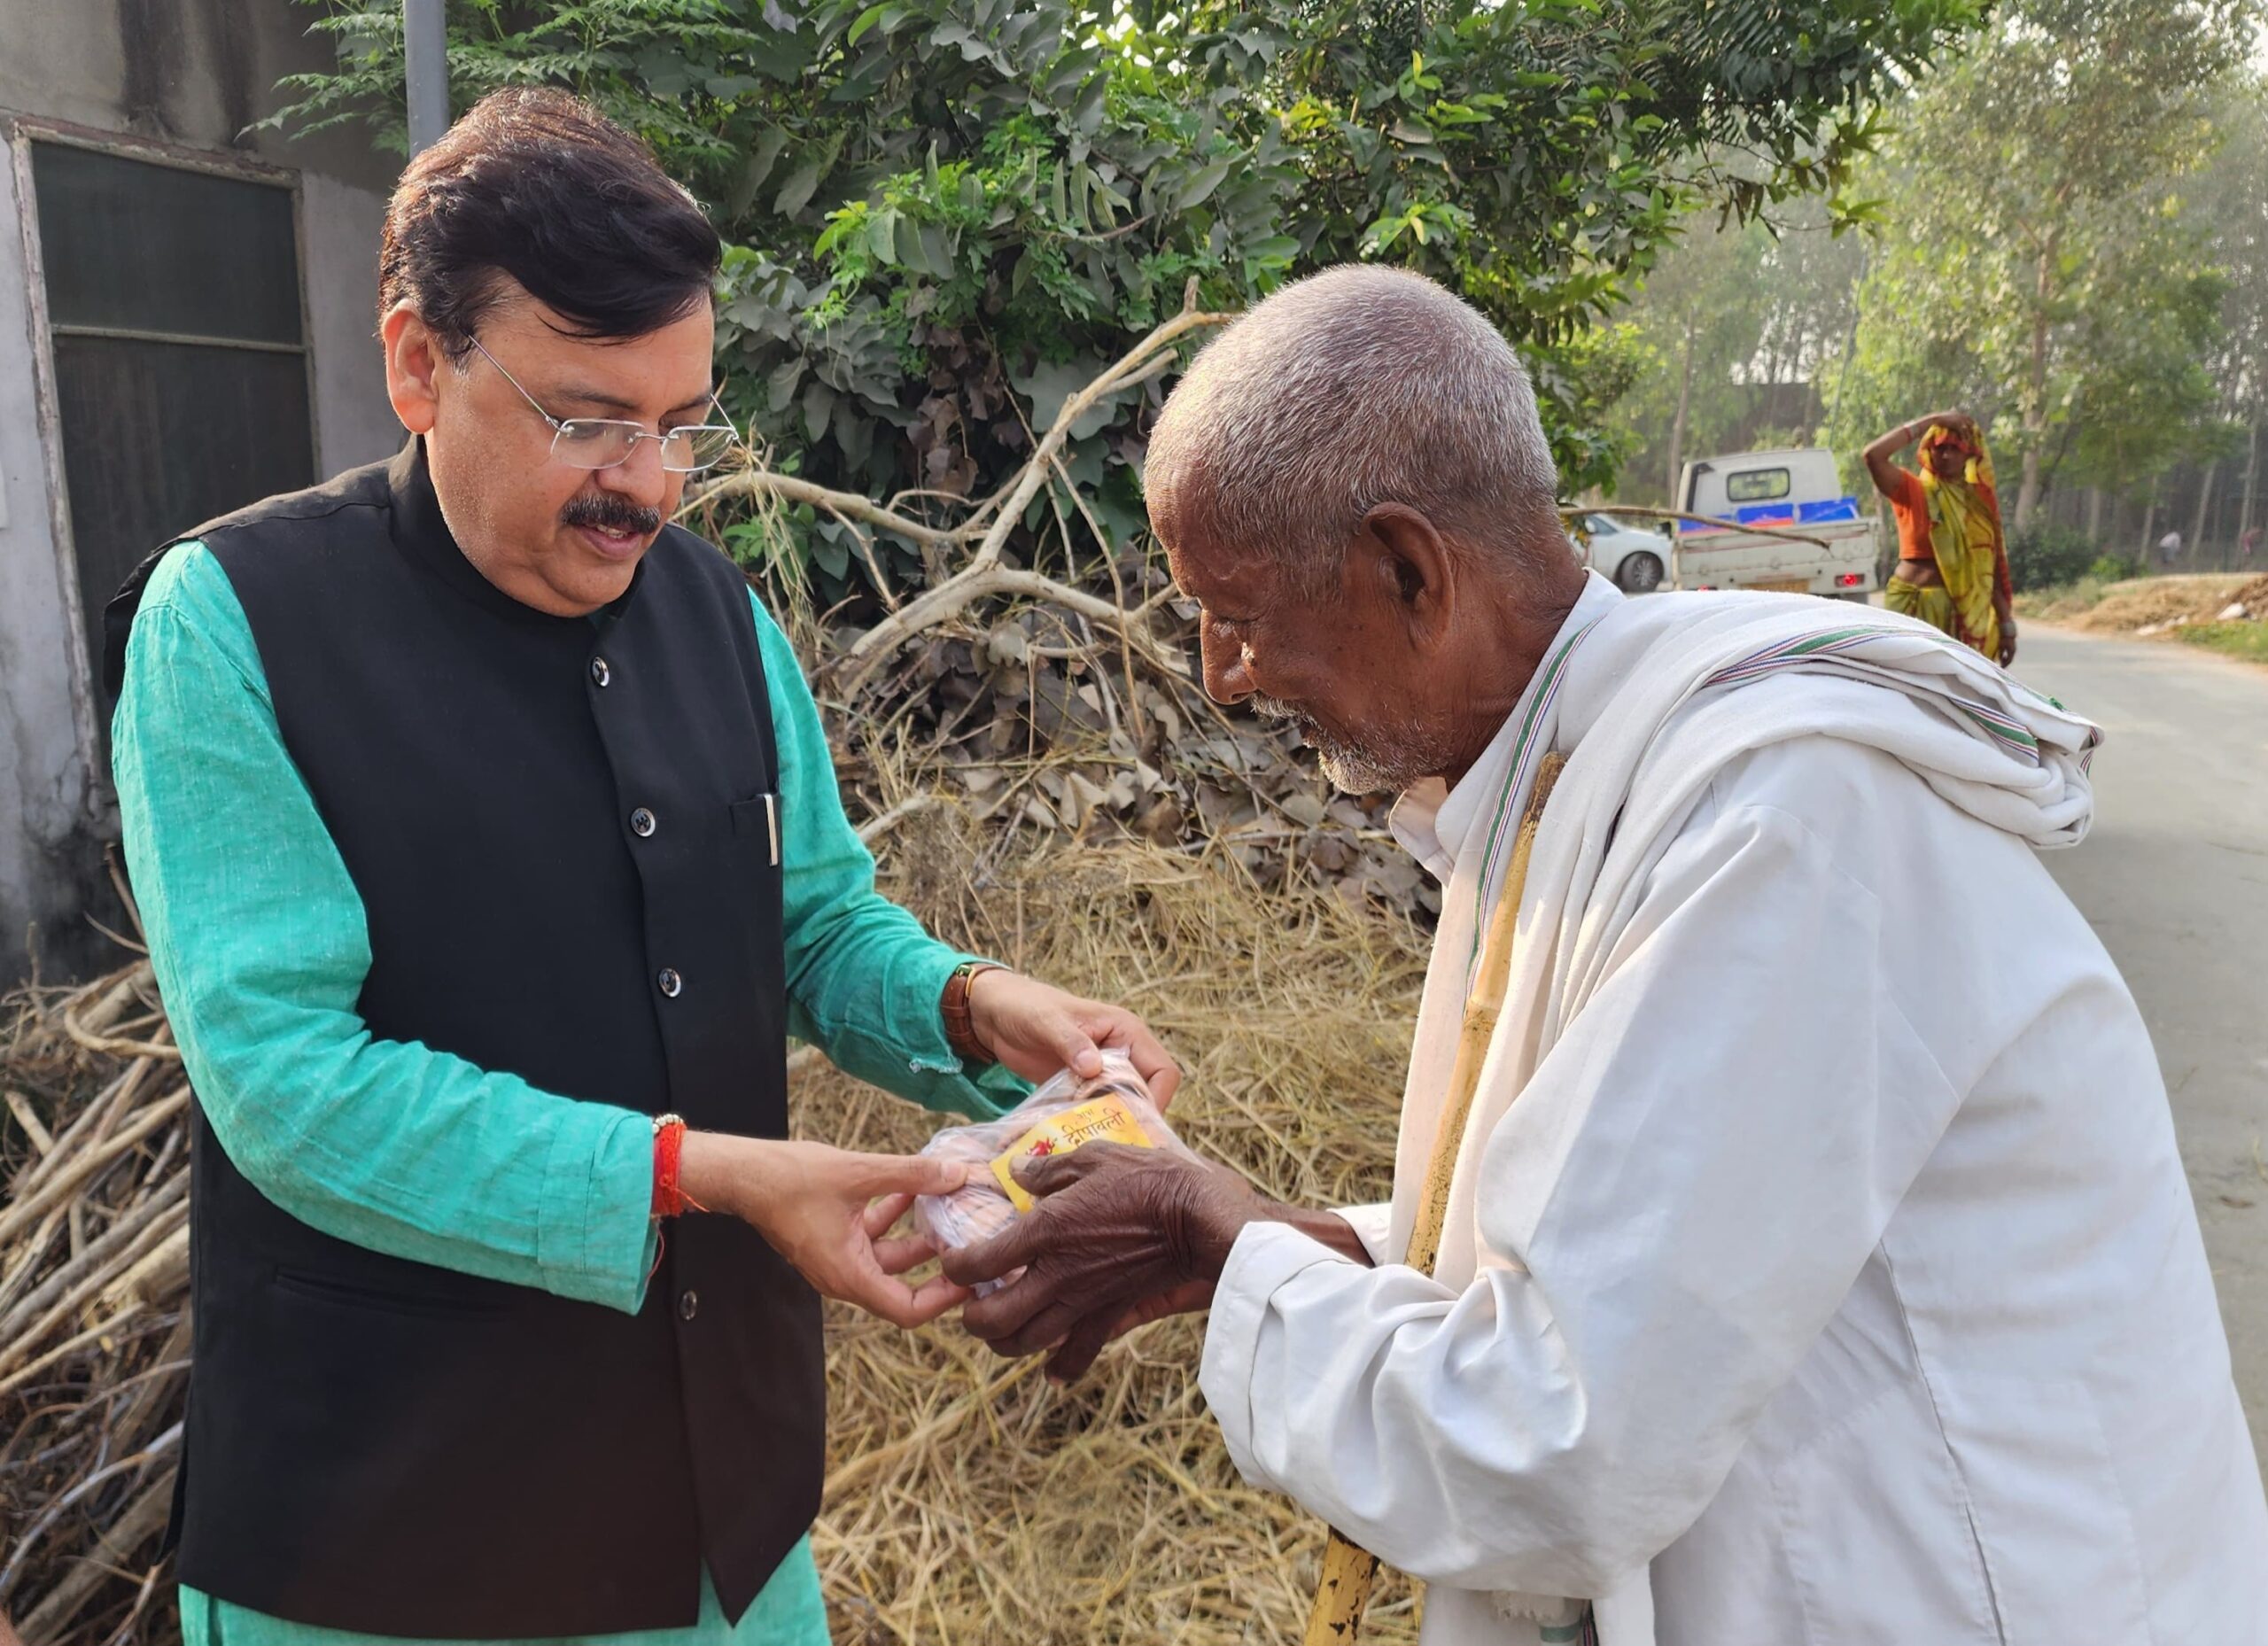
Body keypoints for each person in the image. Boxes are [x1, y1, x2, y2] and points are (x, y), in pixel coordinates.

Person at [944, 268, 2268, 1644]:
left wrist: (1215, 1233)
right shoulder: (1570, 772)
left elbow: (1560, 1443)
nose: (1223, 670)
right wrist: (1292, 1249)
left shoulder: (1780, 812)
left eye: (1238, 610)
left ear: (1411, 571)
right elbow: (1609, 1228)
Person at [105, 90, 1175, 1646]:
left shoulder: (718, 615)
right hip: (385, 1544)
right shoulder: (233, 624)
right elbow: (288, 1082)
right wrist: (703, 1174)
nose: (649, 484)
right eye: (589, 418)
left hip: (713, 1522)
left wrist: (971, 1005)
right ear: (417, 361)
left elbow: (809, 918)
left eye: (684, 424)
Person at [1862, 411, 2016, 664]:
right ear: (1927, 451)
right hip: (1908, 606)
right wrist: (1933, 420)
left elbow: (1989, 571)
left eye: (1955, 449)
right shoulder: (1913, 490)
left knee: (1952, 693)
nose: (1946, 455)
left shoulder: (1979, 505)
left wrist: (2006, 626)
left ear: (1970, 454)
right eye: (1939, 447)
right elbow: (1873, 455)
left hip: (1957, 614)